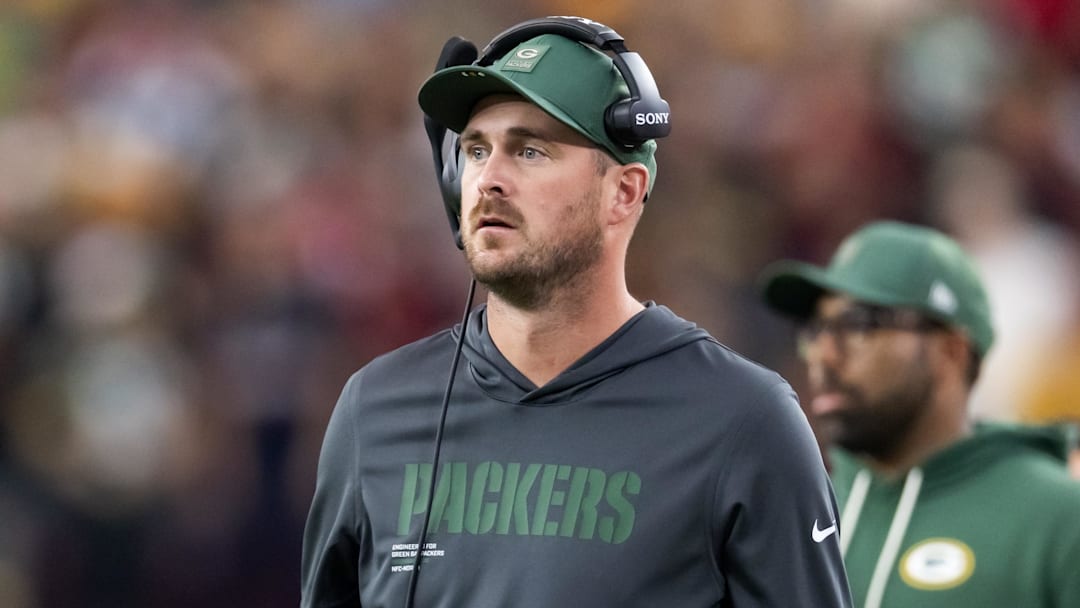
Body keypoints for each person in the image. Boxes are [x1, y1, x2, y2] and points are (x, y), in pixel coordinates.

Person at [301, 16, 851, 608]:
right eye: (476, 149)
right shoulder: (374, 411)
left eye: (530, 150)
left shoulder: (746, 423)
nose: (488, 179)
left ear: (624, 191)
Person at [758, 220, 1080, 608]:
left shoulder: (1058, 518)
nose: (825, 355)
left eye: (860, 325)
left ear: (951, 351)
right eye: (817, 328)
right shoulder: (795, 511)